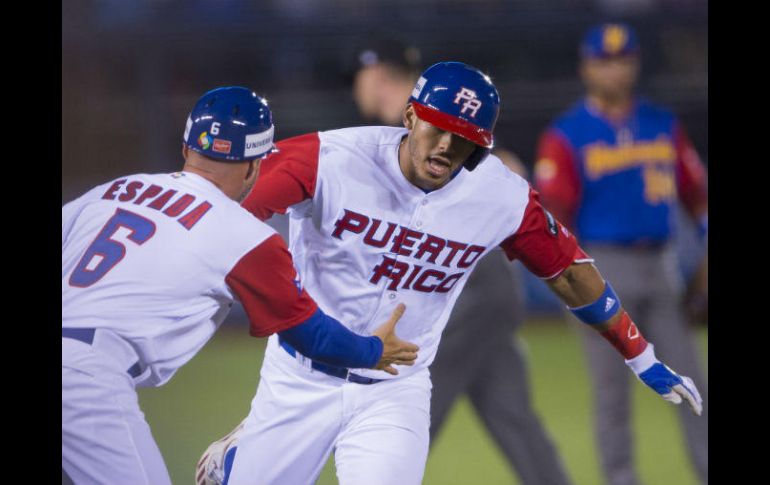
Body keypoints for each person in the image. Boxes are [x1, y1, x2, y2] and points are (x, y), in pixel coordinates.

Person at [197, 62, 702, 485]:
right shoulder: (330, 157)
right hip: (299, 380)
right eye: (436, 127)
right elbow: (225, 217)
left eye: (464, 139)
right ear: (411, 115)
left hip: (394, 390)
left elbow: (569, 274)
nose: (445, 147)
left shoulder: (499, 197)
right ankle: (249, 445)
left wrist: (640, 356)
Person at [61, 86, 418, 485]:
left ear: (186, 148)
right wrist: (372, 350)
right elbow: (310, 334)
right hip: (87, 379)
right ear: (255, 166)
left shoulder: (113, 190)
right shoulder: (243, 234)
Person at [352, 42, 574, 485]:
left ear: (377, 75)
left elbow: (506, 170)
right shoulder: (415, 126)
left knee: (404, 404)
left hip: (473, 292)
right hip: (480, 297)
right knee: (513, 416)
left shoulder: (430, 122)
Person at [534, 23, 708, 485]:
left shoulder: (661, 123)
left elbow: (698, 196)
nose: (615, 69)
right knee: (613, 397)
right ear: (586, 67)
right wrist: (569, 282)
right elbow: (555, 218)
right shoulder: (568, 134)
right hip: (602, 267)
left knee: (694, 383)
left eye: (623, 59)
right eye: (604, 60)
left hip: (661, 265)